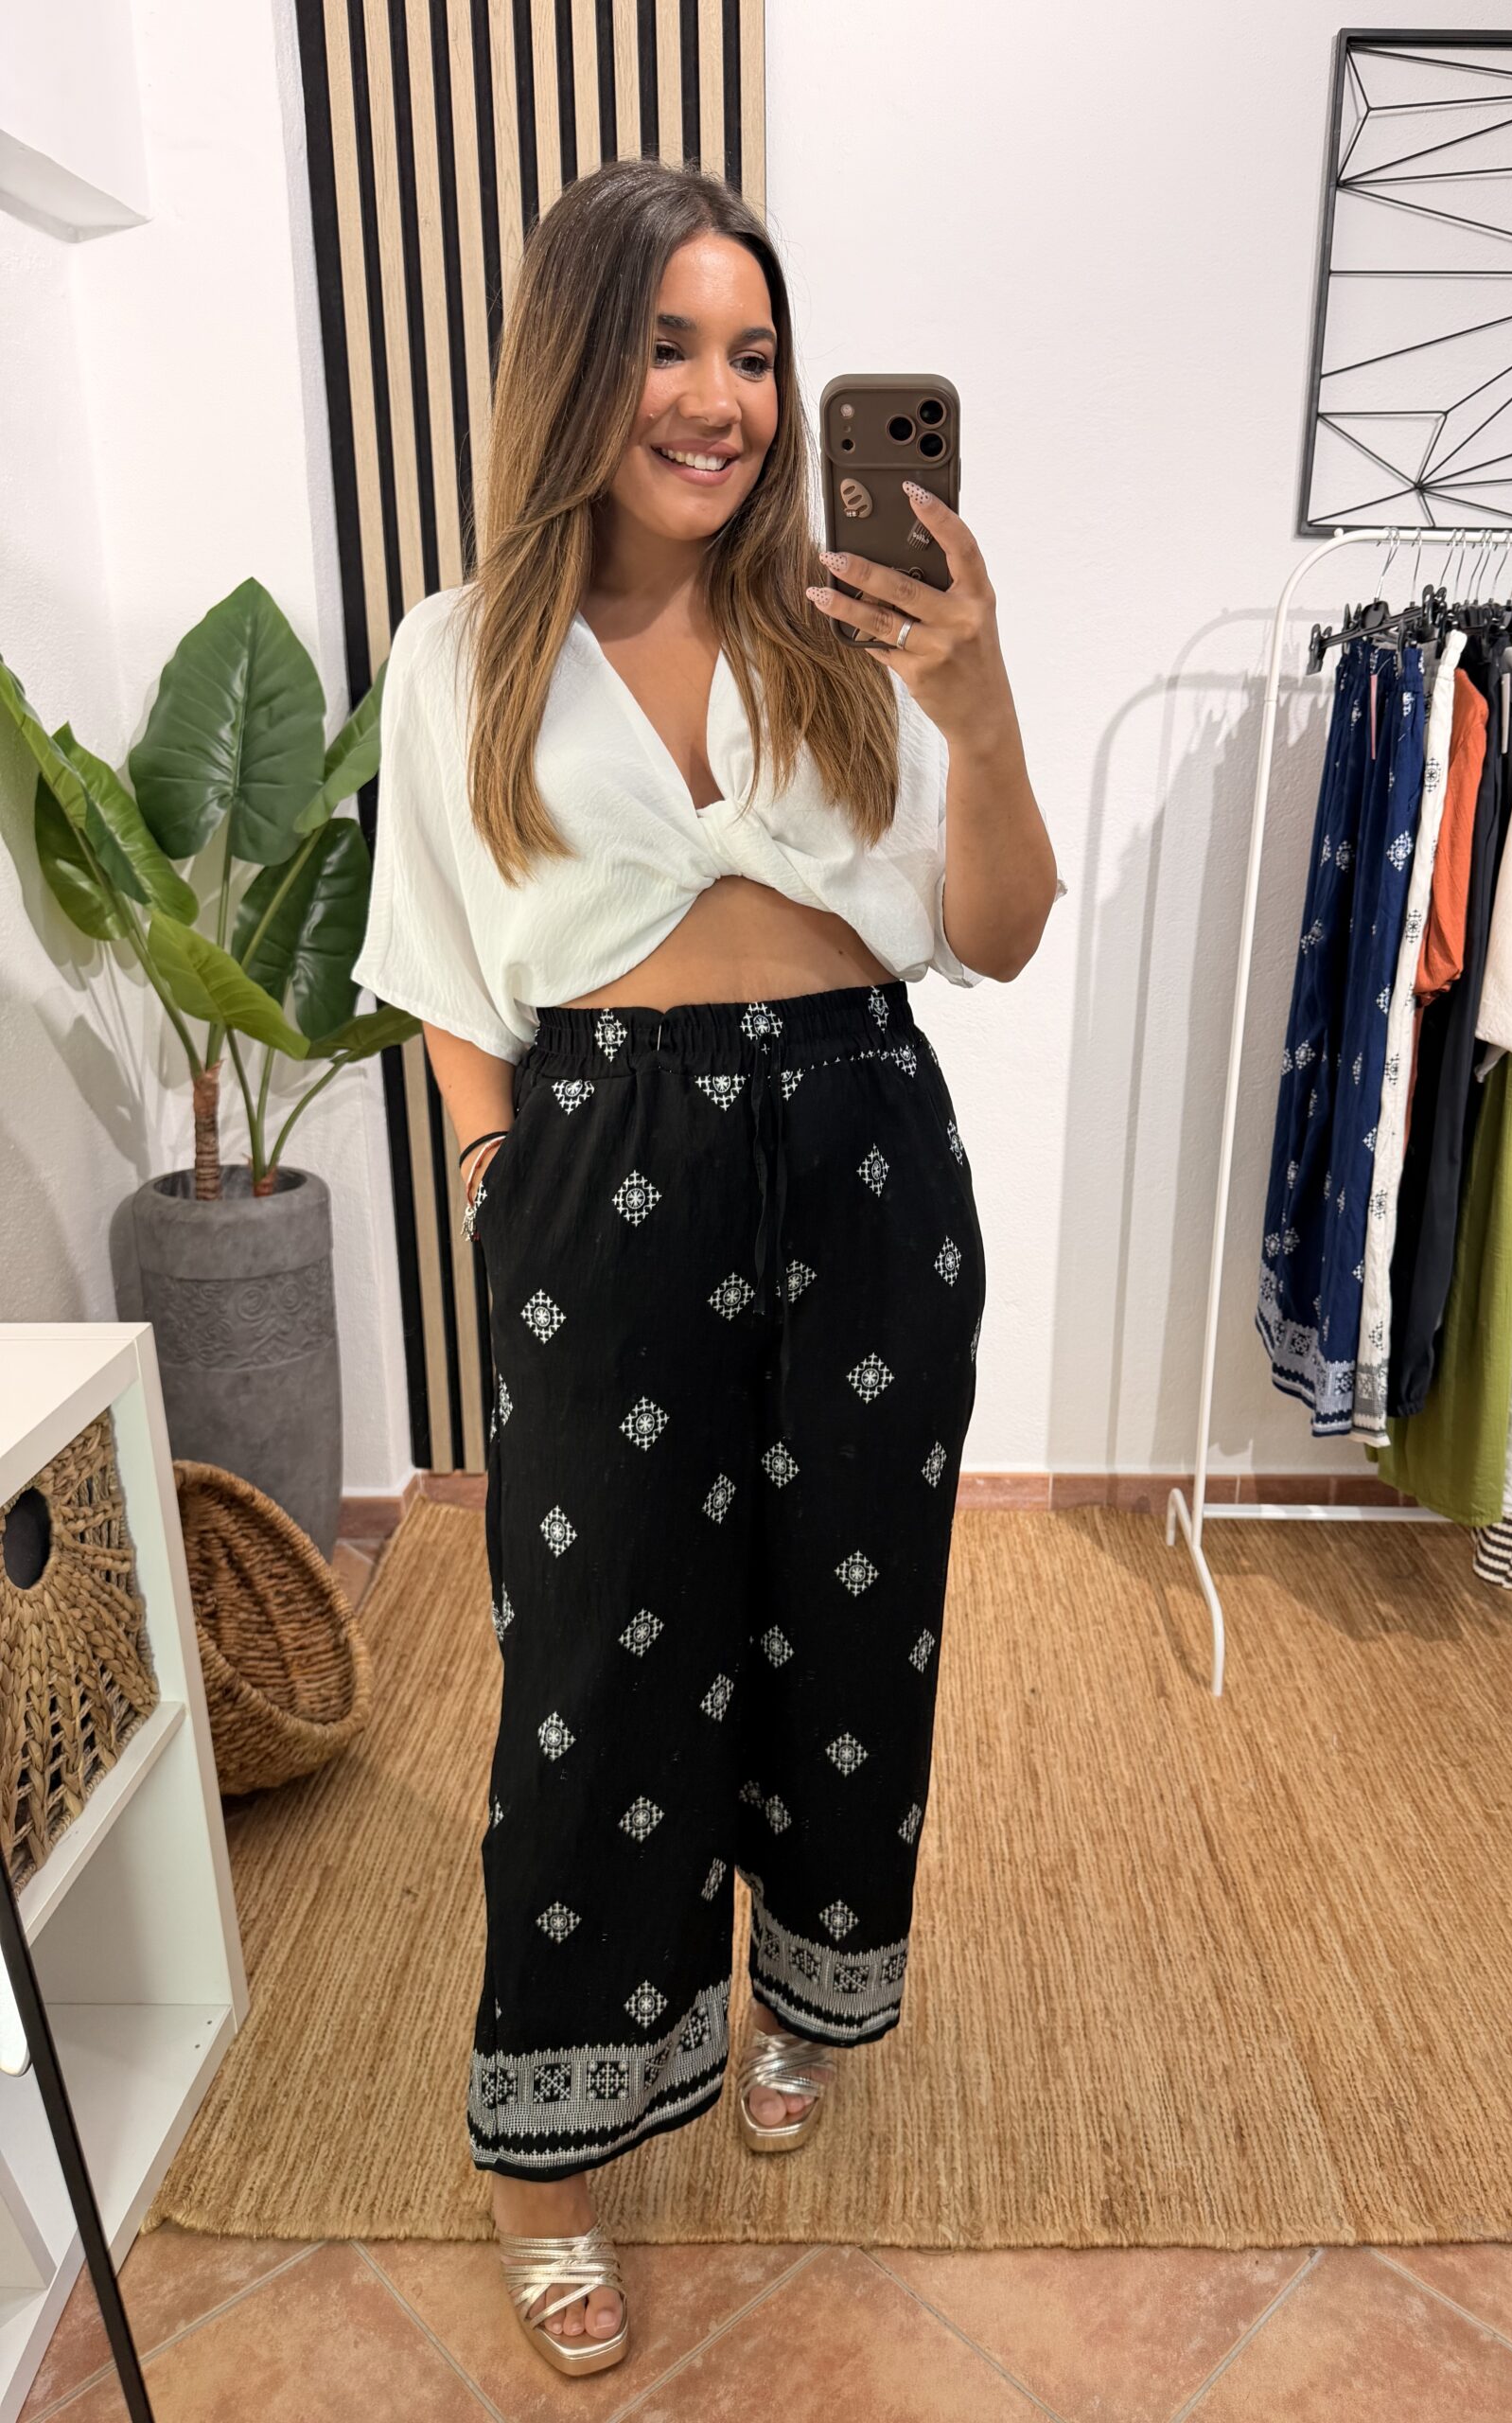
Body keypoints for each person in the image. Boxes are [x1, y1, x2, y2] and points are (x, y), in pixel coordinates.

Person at [350, 156, 1064, 2376]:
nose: (724, 398)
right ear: (577, 359)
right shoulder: (458, 655)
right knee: (594, 1669)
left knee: (851, 1619)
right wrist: (503, 1174)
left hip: (864, 1156)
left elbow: (1001, 931)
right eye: (669, 344)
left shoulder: (854, 627)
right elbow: (443, 970)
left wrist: (978, 699)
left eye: (755, 353)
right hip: (609, 1172)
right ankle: (546, 2155)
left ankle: (801, 1987)